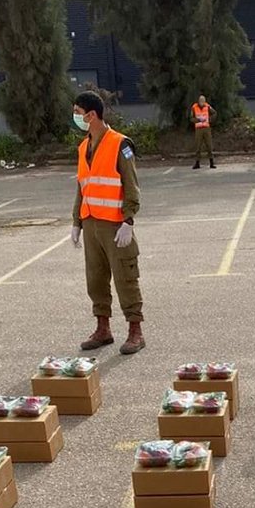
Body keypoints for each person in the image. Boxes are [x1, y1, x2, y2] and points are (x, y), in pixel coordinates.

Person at [70, 91, 145, 354]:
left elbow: (131, 185)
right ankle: (103, 329)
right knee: (96, 279)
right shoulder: (83, 147)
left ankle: (135, 331)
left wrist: (129, 219)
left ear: (91, 115)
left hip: (116, 224)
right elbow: (82, 186)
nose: (75, 117)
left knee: (125, 277)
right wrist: (76, 222)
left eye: (78, 112)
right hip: (91, 224)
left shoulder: (120, 144)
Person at [190, 95, 217, 170]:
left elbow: (214, 113)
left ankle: (211, 163)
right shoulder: (194, 107)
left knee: (209, 145)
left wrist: (209, 119)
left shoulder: (208, 106)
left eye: (203, 101)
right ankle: (197, 163)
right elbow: (191, 118)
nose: (202, 103)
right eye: (201, 101)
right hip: (198, 128)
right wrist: (198, 120)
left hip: (206, 128)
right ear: (198, 101)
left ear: (205, 101)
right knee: (198, 146)